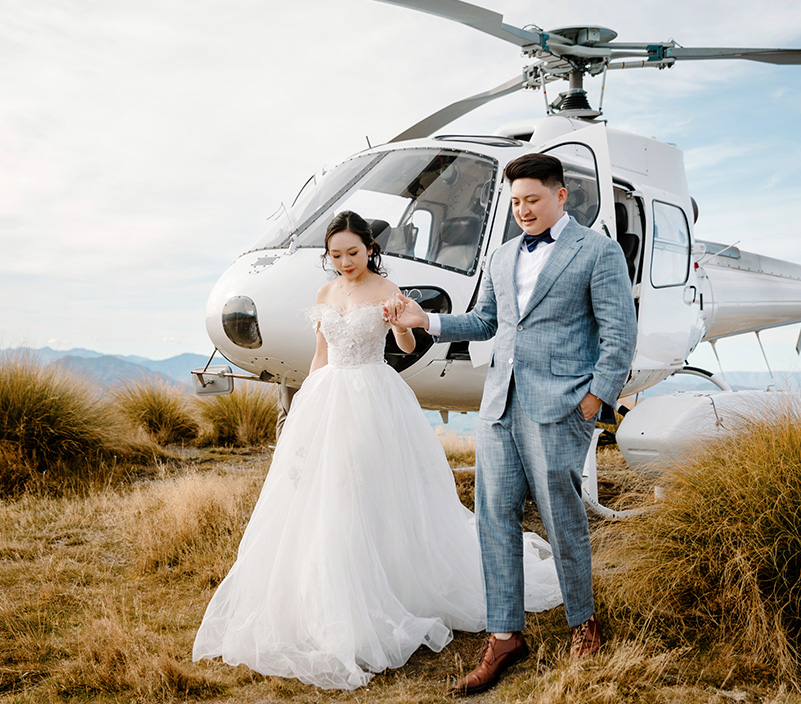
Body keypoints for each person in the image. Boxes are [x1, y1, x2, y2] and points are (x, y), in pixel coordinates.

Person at [192, 210, 562, 690]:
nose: (345, 262)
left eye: (353, 252)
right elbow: (320, 356)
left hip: (374, 396)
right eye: (336, 255)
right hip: (329, 396)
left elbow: (406, 344)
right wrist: (306, 405)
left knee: (370, 490)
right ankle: (330, 595)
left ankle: (385, 588)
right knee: (327, 495)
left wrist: (400, 322)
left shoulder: (388, 290)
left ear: (370, 248)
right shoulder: (325, 294)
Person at [388, 153, 638, 695]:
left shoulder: (598, 251)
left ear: (561, 196)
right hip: (498, 407)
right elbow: (485, 322)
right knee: (492, 521)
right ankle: (505, 636)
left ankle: (583, 622)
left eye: (532, 199)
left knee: (562, 517)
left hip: (563, 408)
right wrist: (424, 319)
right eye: (516, 202)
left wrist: (595, 401)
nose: (522, 210)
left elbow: (619, 335)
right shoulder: (502, 256)